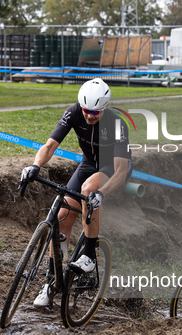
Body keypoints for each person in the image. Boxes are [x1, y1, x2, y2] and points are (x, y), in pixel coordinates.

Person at [19, 78, 132, 307]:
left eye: (95, 112)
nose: (89, 115)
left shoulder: (118, 125)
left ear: (105, 107)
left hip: (114, 167)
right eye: (86, 110)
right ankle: (51, 282)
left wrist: (101, 193)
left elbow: (121, 171)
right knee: (62, 217)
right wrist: (35, 166)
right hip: (89, 164)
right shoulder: (73, 112)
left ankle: (89, 255)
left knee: (90, 191)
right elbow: (50, 145)